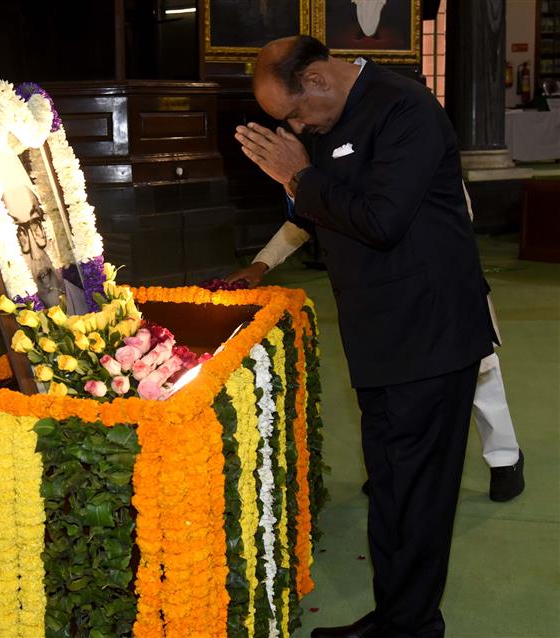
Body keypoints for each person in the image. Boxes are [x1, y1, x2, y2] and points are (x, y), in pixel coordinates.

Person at [235, 35, 498, 638]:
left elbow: (380, 220)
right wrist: (293, 182)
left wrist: (299, 175)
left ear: (320, 81)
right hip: (380, 333)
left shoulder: (404, 109)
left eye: (294, 114)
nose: (295, 126)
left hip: (427, 334)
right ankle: (399, 618)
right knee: (392, 488)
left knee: (418, 496)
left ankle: (412, 627)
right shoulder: (331, 120)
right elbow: (318, 211)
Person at [228, 203, 526, 504]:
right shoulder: (332, 163)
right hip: (381, 294)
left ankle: (505, 458)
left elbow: (457, 212)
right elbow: (309, 215)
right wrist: (261, 263)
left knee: (478, 370)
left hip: (443, 279)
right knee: (394, 382)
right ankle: (393, 467)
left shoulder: (419, 158)